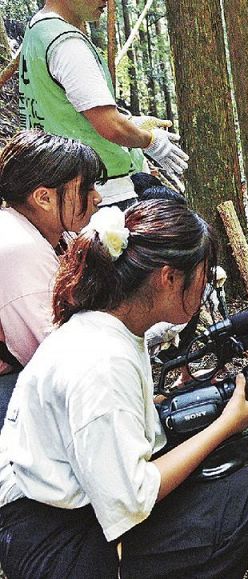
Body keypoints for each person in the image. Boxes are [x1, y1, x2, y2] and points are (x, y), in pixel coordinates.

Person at [0, 200, 248, 577]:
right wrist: (223, 425)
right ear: (168, 278)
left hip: (54, 505)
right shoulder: (103, 362)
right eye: (203, 274)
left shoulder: (107, 325)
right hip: (51, 541)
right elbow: (130, 502)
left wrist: (172, 401)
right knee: (245, 497)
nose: (206, 285)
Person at [19, 0, 188, 207]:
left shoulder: (38, 30)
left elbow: (62, 107)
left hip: (66, 184)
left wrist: (130, 122)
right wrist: (151, 141)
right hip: (103, 191)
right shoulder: (67, 43)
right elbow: (110, 125)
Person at [0, 130, 102, 424]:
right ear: (43, 197)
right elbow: (53, 354)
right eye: (87, 188)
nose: (97, 197)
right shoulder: (18, 248)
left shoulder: (58, 234)